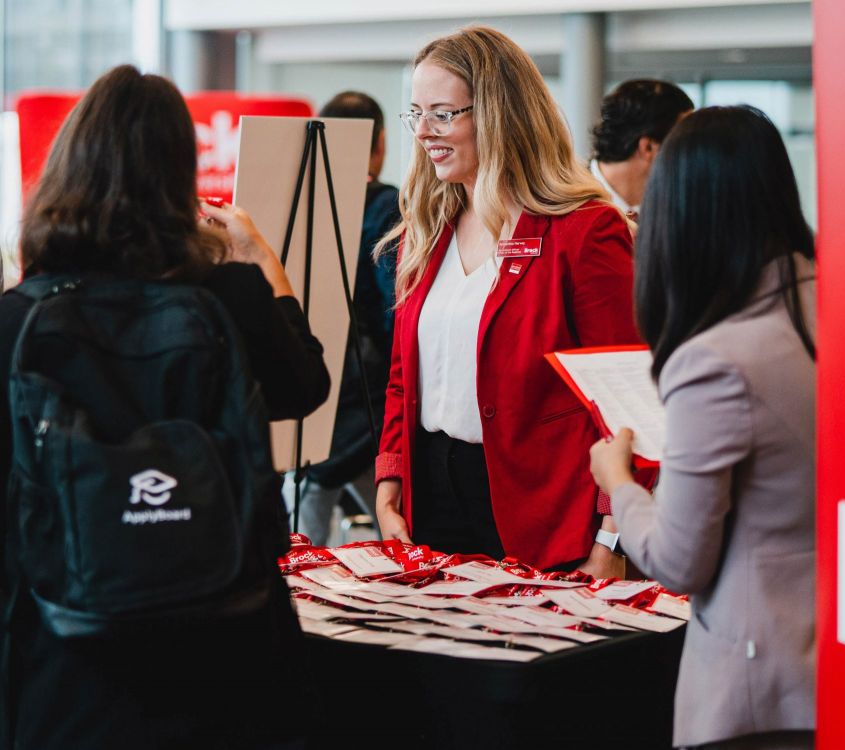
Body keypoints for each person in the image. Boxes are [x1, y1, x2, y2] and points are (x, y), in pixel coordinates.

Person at [0, 65, 329, 749]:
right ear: (181, 171)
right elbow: (305, 388)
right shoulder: (227, 296)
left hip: (62, 650)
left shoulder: (16, 321)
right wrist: (259, 259)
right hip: (225, 639)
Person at [588, 106, 817, 750]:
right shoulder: (838, 307)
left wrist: (620, 484)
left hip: (756, 687)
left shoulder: (715, 361)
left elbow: (680, 559)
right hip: (844, 662)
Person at [374, 26, 639, 578]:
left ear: (499, 115)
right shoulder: (425, 230)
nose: (424, 132)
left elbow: (624, 400)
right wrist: (390, 474)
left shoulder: (584, 231)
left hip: (544, 510)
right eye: (416, 113)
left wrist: (611, 538)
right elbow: (404, 376)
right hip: (433, 500)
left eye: (443, 113)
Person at [285, 90, 401, 545]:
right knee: (391, 519)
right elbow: (397, 306)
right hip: (367, 395)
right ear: (381, 142)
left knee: (303, 529)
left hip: (311, 384)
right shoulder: (385, 205)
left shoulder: (299, 203)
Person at [589, 79, 694, 221]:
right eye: (686, 142)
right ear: (648, 147)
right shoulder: (567, 203)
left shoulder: (678, 206)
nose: (694, 152)